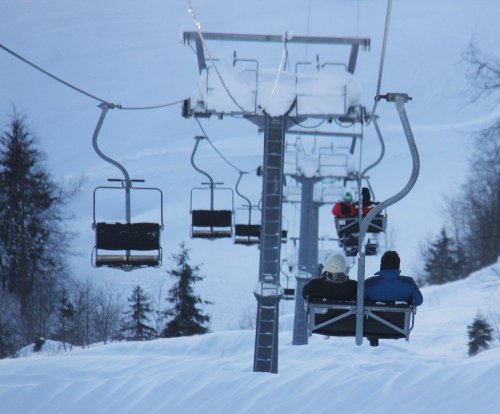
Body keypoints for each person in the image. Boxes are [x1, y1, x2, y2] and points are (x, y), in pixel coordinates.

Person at [364, 250, 424, 346]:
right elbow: (419, 301)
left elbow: (359, 301)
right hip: (399, 329)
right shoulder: (408, 283)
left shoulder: (369, 284)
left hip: (373, 329)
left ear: (381, 264)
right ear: (398, 265)